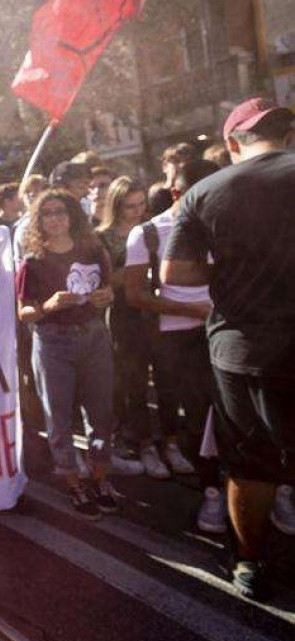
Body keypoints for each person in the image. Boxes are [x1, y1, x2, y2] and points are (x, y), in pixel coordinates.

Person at [162, 98, 295, 600]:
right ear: (284, 134)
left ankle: (248, 563)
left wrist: (229, 273)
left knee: (250, 462)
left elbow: (174, 275)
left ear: (234, 143)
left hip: (244, 349)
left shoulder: (204, 192)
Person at [124, 159, 224, 530]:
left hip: (225, 330)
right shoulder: (147, 233)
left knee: (242, 414)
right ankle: (212, 492)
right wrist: (191, 310)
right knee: (197, 417)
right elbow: (135, 296)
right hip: (179, 338)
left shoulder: (223, 225)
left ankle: (272, 491)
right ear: (180, 193)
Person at [17, 189, 117, 519]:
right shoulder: (33, 262)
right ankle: (73, 481)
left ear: (73, 215)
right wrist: (47, 306)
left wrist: (105, 297)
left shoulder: (93, 250)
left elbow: (108, 288)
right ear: (38, 221)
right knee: (57, 417)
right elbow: (24, 313)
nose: (56, 218)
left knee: (101, 411)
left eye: (61, 211)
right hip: (53, 341)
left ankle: (100, 477)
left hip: (94, 336)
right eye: (47, 213)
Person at [95, 177, 165, 478]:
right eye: (129, 207)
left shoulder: (151, 230)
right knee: (132, 382)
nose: (136, 212)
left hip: (157, 310)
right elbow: (101, 282)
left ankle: (167, 441)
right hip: (123, 314)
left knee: (166, 380)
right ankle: (142, 442)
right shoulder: (102, 237)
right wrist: (136, 270)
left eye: (141, 205)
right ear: (116, 205)